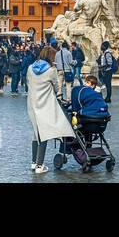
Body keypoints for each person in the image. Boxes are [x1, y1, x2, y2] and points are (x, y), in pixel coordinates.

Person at [25, 46, 75, 175]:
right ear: (50, 57)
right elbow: (57, 87)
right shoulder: (51, 71)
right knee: (44, 134)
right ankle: (39, 166)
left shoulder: (30, 68)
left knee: (36, 133)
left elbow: (27, 83)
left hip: (32, 104)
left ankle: (33, 162)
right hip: (45, 105)